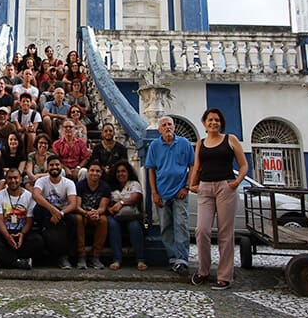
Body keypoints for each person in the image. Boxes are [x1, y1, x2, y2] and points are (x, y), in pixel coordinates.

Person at [188, 108, 248, 290]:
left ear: (221, 123)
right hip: (205, 188)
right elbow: (197, 166)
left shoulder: (230, 139)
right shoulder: (201, 143)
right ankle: (203, 270)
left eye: (216, 120)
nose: (213, 122)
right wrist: (192, 184)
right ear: (204, 123)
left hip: (225, 187)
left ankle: (224, 276)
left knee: (225, 233)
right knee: (202, 230)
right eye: (210, 120)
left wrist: (237, 181)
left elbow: (244, 165)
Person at [146, 116, 195, 275]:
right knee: (166, 226)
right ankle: (172, 258)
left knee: (181, 224)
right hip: (162, 191)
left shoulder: (184, 144)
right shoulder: (155, 146)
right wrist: (154, 192)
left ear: (174, 127)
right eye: (164, 125)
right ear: (159, 129)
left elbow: (192, 166)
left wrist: (187, 186)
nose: (167, 127)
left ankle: (182, 259)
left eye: (170, 124)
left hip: (180, 191)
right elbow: (151, 170)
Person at [0, 169, 45, 269]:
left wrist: (22, 234)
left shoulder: (29, 196)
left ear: (20, 179)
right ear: (6, 180)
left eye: (15, 178)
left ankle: (4, 260)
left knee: (38, 240)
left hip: (22, 233)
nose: (13, 181)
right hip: (5, 232)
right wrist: (7, 236)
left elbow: (29, 221)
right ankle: (18, 262)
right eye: (10, 178)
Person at [32, 155, 77, 269]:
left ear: (61, 166)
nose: (54, 167)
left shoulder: (69, 183)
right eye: (51, 165)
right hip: (47, 211)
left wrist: (60, 213)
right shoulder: (41, 181)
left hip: (63, 212)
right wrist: (53, 210)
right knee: (37, 210)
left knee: (73, 219)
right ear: (47, 167)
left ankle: (68, 255)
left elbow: (73, 204)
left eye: (57, 164)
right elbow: (36, 195)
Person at [106, 160, 146, 271]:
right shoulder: (111, 186)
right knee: (112, 224)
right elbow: (106, 201)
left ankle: (140, 259)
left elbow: (136, 197)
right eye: (118, 172)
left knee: (134, 226)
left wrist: (121, 203)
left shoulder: (134, 184)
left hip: (131, 215)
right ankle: (117, 259)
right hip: (115, 216)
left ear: (128, 172)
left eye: (123, 171)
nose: (120, 174)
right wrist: (110, 209)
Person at [74, 160, 110, 269]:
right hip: (83, 213)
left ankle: (95, 255)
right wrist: (86, 213)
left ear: (101, 173)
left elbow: (103, 207)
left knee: (103, 220)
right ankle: (81, 255)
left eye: (98, 171)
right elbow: (77, 206)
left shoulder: (105, 187)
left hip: (96, 214)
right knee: (77, 219)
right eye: (92, 170)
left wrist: (96, 213)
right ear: (88, 172)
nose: (95, 173)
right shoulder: (80, 185)